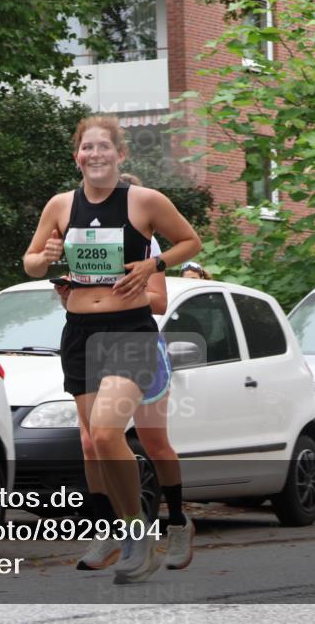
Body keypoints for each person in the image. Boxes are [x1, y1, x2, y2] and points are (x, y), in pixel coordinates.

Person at [24, 116, 201, 584]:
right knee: (92, 443)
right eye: (87, 147)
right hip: (79, 331)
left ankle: (149, 527)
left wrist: (154, 264)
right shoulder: (61, 205)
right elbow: (31, 260)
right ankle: (120, 529)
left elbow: (190, 241)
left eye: (105, 146)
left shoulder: (144, 202)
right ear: (76, 156)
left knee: (108, 435)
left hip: (129, 332)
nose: (95, 153)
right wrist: (43, 263)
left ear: (121, 156)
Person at [55, 172, 194, 573]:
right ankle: (108, 529)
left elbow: (159, 302)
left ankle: (178, 521)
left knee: (154, 443)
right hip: (92, 342)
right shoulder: (88, 246)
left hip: (138, 345)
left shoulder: (145, 246)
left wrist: (123, 287)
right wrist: (75, 290)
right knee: (91, 440)